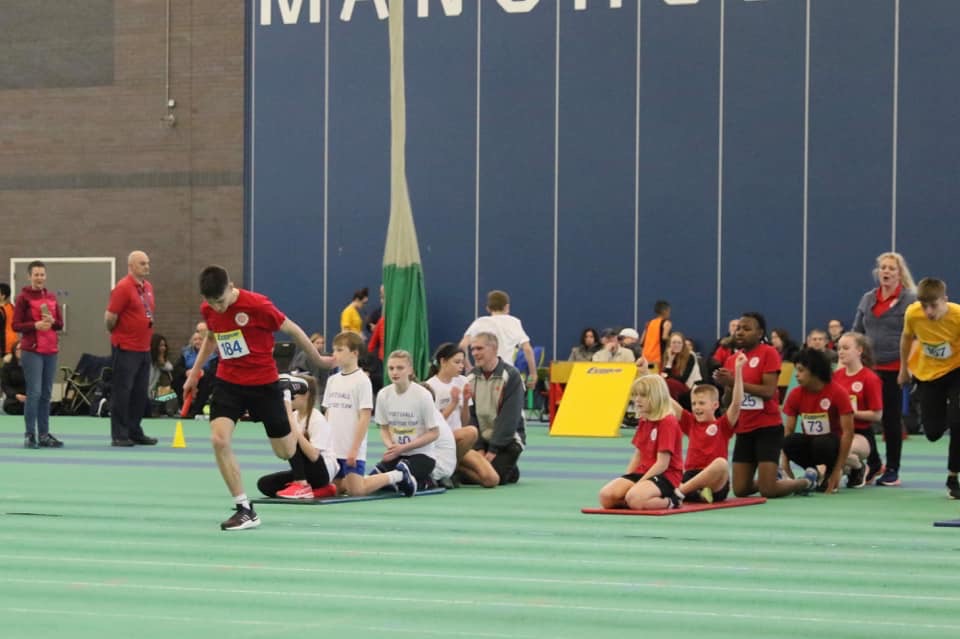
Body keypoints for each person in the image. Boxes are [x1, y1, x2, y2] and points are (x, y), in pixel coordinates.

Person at [182, 265, 328, 531]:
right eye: (212, 303)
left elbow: (293, 330)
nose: (218, 308)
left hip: (264, 385)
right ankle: (244, 509)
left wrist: (318, 359)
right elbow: (212, 338)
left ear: (231, 287)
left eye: (221, 301)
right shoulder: (209, 310)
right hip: (229, 383)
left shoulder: (258, 305)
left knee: (285, 451)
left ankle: (286, 394)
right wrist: (194, 373)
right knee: (218, 439)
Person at [712, 312, 816, 498]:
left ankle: (806, 481)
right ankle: (773, 477)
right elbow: (728, 402)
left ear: (759, 333)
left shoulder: (769, 353)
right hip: (744, 428)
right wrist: (726, 385)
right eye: (738, 328)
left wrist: (735, 381)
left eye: (746, 329)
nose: (740, 332)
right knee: (740, 490)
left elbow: (768, 391)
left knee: (768, 490)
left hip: (767, 428)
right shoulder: (732, 360)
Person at [852, 251, 917, 486]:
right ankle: (874, 462)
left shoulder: (910, 300)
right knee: (862, 416)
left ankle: (892, 469)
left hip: (894, 367)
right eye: (883, 268)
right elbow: (857, 331)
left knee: (890, 418)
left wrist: (907, 367)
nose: (886, 272)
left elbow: (916, 336)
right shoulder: (868, 298)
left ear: (900, 273)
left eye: (891, 268)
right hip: (869, 368)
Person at [323, 331, 415, 497]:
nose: (335, 354)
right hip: (333, 448)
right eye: (334, 350)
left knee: (357, 491)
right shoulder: (332, 380)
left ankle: (397, 475)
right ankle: (362, 480)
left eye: (340, 350)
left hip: (351, 446)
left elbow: (365, 417)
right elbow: (328, 413)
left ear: (354, 353)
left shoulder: (362, 381)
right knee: (334, 490)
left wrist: (354, 449)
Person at [898, 278, 960, 499]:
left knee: (958, 422)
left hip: (956, 370)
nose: (929, 312)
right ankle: (948, 413)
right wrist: (903, 369)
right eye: (924, 306)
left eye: (934, 305)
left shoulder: (958, 316)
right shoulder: (913, 313)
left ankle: (953, 476)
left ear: (945, 300)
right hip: (929, 374)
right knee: (933, 433)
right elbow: (906, 339)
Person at [669, 353, 747, 504]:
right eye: (694, 404)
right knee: (669, 475)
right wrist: (647, 374)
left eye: (701, 403)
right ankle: (695, 493)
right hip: (692, 475)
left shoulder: (722, 425)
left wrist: (738, 370)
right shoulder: (690, 422)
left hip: (715, 482)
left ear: (715, 405)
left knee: (721, 464)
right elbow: (668, 402)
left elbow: (737, 403)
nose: (696, 407)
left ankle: (681, 492)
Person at [597, 375, 683, 510]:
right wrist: (627, 478)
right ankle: (637, 498)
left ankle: (672, 500)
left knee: (635, 499)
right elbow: (638, 455)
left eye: (643, 395)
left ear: (656, 396)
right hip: (644, 471)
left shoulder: (668, 422)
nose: (637, 400)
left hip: (665, 475)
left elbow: (662, 464)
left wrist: (637, 485)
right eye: (635, 395)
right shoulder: (644, 419)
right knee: (606, 497)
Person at [426, 342, 499, 487]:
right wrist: (453, 403)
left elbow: (464, 422)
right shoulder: (430, 386)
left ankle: (454, 469)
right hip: (440, 441)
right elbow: (434, 424)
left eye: (462, 362)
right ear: (443, 361)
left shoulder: (462, 381)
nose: (461, 366)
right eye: (457, 362)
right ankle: (449, 470)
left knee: (492, 479)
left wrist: (465, 401)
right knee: (471, 432)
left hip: (461, 444)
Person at [782, 348, 855, 493]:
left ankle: (834, 471)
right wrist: (785, 464)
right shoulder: (795, 394)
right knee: (790, 441)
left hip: (831, 445)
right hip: (811, 443)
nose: (796, 375)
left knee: (822, 443)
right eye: (796, 370)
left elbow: (848, 433)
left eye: (801, 370)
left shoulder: (838, 392)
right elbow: (788, 430)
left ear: (815, 371)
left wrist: (836, 471)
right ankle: (814, 472)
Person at [104, 251, 158, 447]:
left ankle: (134, 430)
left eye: (147, 263)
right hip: (126, 347)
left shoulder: (147, 287)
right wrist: (119, 334)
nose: (147, 266)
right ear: (131, 266)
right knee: (122, 392)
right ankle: (119, 434)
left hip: (144, 348)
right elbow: (110, 317)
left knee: (139, 393)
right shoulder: (123, 287)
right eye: (142, 263)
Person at [257, 374, 339, 500]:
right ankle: (321, 491)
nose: (290, 398)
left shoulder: (317, 419)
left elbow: (314, 456)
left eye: (293, 394)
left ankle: (303, 486)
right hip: (306, 472)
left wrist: (293, 427)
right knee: (265, 484)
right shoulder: (295, 416)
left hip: (322, 472)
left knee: (292, 437)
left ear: (306, 394)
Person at [371, 350, 439, 495]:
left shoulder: (423, 395)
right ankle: (413, 481)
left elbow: (434, 433)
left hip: (422, 455)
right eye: (391, 368)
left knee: (402, 470)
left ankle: (422, 481)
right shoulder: (383, 395)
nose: (395, 372)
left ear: (410, 370)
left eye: (400, 368)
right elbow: (384, 428)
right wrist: (391, 447)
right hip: (397, 454)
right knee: (374, 480)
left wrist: (404, 448)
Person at [13, 261, 64, 448]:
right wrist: (35, 325)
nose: (39, 278)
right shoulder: (23, 298)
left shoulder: (51, 297)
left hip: (50, 350)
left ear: (46, 276)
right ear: (29, 276)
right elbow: (16, 325)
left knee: (46, 394)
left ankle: (44, 434)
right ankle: (29, 435)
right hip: (32, 351)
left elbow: (60, 324)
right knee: (34, 393)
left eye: (42, 274)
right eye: (36, 274)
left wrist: (52, 321)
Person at [466, 332, 526, 485]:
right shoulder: (470, 378)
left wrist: (493, 450)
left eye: (479, 348)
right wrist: (479, 448)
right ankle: (507, 468)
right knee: (473, 475)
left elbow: (509, 417)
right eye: (472, 349)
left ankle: (507, 468)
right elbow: (471, 416)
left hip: (507, 441)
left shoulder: (511, 376)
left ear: (494, 349)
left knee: (493, 477)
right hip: (482, 440)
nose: (474, 353)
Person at [833, 332, 884, 487]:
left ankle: (859, 466)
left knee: (838, 451)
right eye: (839, 348)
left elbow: (877, 415)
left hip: (860, 434)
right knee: (825, 475)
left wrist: (853, 413)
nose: (841, 352)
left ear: (859, 350)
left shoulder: (870, 378)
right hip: (838, 431)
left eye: (846, 348)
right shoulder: (836, 376)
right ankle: (850, 468)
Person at [460, 290, 537, 389]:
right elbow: (527, 349)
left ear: (488, 308)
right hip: (507, 374)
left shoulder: (480, 322)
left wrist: (468, 367)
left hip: (483, 375)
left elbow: (462, 345)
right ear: (507, 307)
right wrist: (533, 374)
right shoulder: (514, 322)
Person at [640, 300, 672, 371]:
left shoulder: (649, 323)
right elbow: (664, 337)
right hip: (658, 357)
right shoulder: (667, 323)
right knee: (657, 375)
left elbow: (641, 341)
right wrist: (672, 340)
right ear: (665, 311)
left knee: (649, 374)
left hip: (646, 357)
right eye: (669, 311)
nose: (669, 313)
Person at [1, 341, 26, 415]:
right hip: (13, 401)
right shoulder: (7, 367)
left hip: (31, 400)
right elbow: (5, 386)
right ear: (14, 351)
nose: (19, 351)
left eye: (22, 349)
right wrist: (16, 395)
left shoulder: (33, 367)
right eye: (17, 349)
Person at [0, 283, 16, 356]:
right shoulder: (12, 307)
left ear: (3, 296)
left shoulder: (1, 310)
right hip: (13, 343)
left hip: (3, 345)